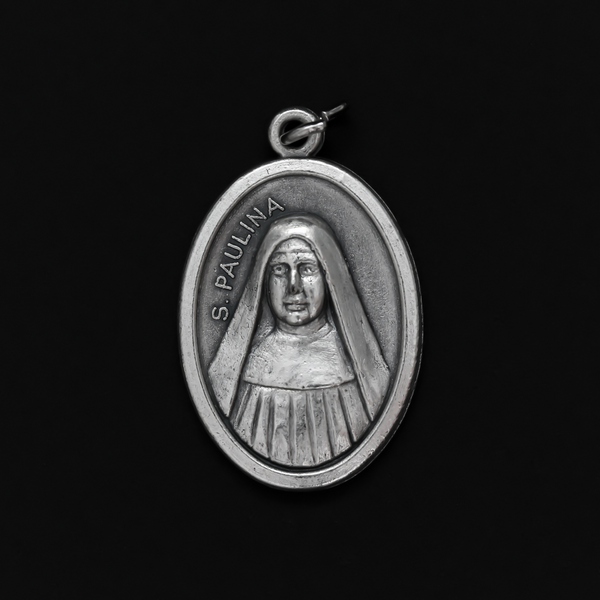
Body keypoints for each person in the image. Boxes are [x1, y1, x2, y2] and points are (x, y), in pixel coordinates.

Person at [208, 213, 390, 467]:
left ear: (329, 275)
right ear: (263, 280)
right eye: (280, 270)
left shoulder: (360, 375)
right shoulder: (245, 371)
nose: (294, 286)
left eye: (306, 269)